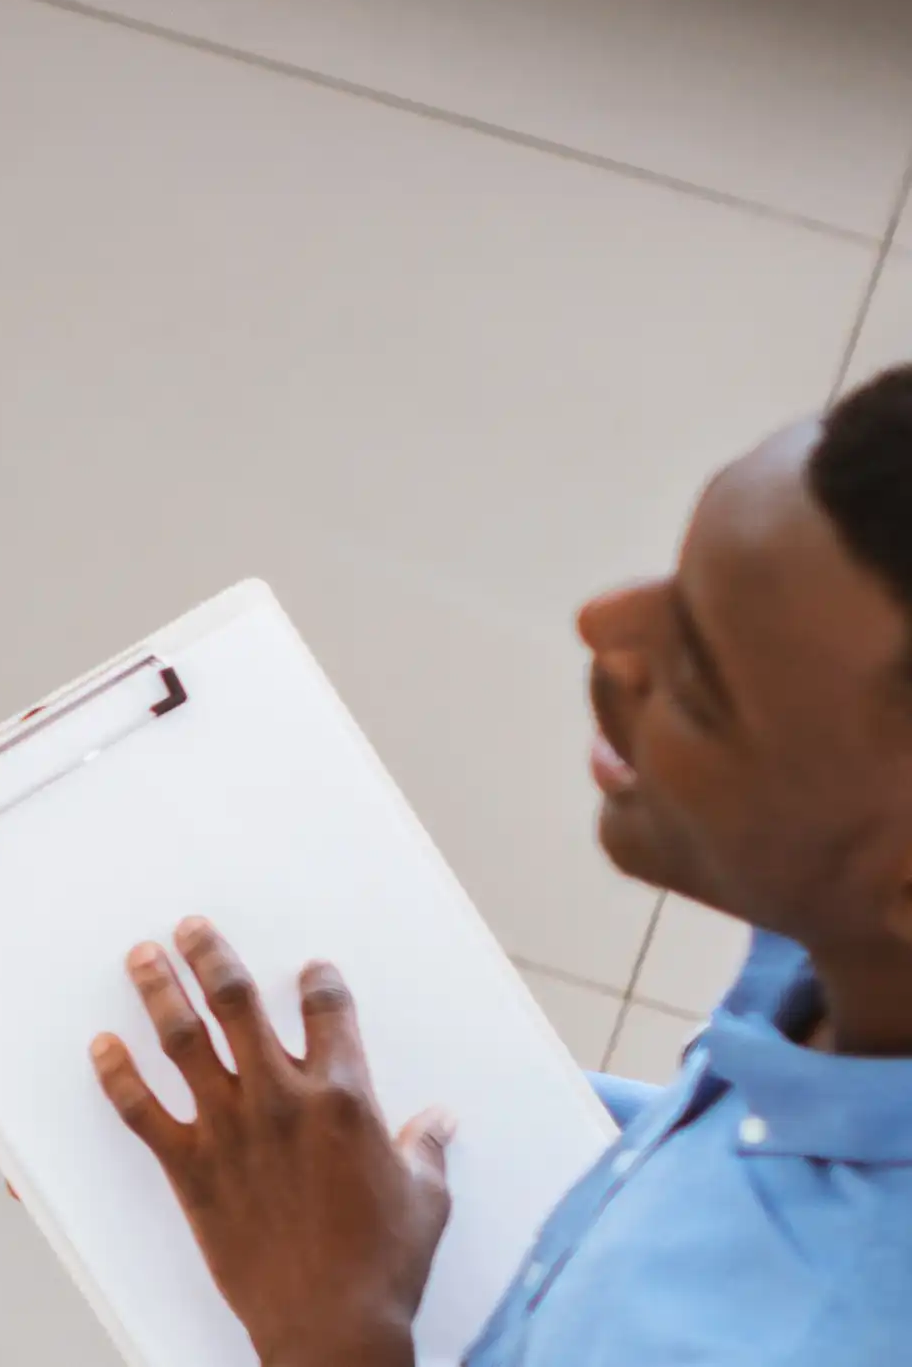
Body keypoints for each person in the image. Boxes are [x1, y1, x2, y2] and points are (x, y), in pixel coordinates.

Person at [94, 368, 912, 1365]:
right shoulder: (849, 978)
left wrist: (331, 1325)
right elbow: (748, 1153)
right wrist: (341, 1142)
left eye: (699, 681)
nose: (605, 628)